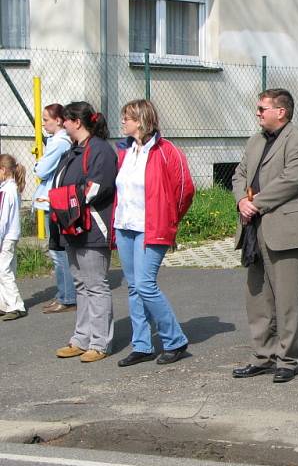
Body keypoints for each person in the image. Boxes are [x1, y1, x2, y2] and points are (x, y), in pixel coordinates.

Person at [232, 89, 298, 384]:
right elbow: (239, 174)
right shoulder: (255, 141)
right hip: (253, 227)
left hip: (284, 228)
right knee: (257, 296)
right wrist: (241, 199)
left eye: (261, 108)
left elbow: (292, 180)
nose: (257, 113)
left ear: (280, 111)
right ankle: (262, 355)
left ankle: (287, 359)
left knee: (287, 297)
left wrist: (256, 203)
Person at [114, 100, 195, 366]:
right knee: (134, 287)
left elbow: (185, 189)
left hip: (152, 229)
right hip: (125, 226)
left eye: (127, 117)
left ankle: (175, 339)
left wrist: (170, 218)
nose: (123, 121)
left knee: (146, 285)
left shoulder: (166, 150)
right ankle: (142, 344)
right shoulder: (124, 151)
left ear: (141, 120)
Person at [53, 102, 118, 363]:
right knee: (81, 284)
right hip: (72, 226)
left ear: (76, 122)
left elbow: (96, 187)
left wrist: (64, 200)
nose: (62, 125)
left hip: (92, 228)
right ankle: (81, 338)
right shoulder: (73, 150)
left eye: (65, 120)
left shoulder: (100, 150)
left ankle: (100, 342)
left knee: (95, 285)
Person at [33, 103, 77, 313]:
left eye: (47, 120)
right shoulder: (56, 141)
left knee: (59, 251)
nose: (43, 124)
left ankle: (68, 297)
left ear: (58, 120)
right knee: (56, 250)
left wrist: (36, 166)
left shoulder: (59, 142)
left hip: (55, 202)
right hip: (52, 201)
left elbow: (41, 170)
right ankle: (63, 293)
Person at [0, 155, 27, 321]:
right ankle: (4, 304)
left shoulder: (5, 191)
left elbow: (2, 219)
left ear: (3, 170)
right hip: (13, 234)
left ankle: (16, 305)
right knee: (6, 269)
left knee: (4, 271)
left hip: (6, 236)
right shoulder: (14, 188)